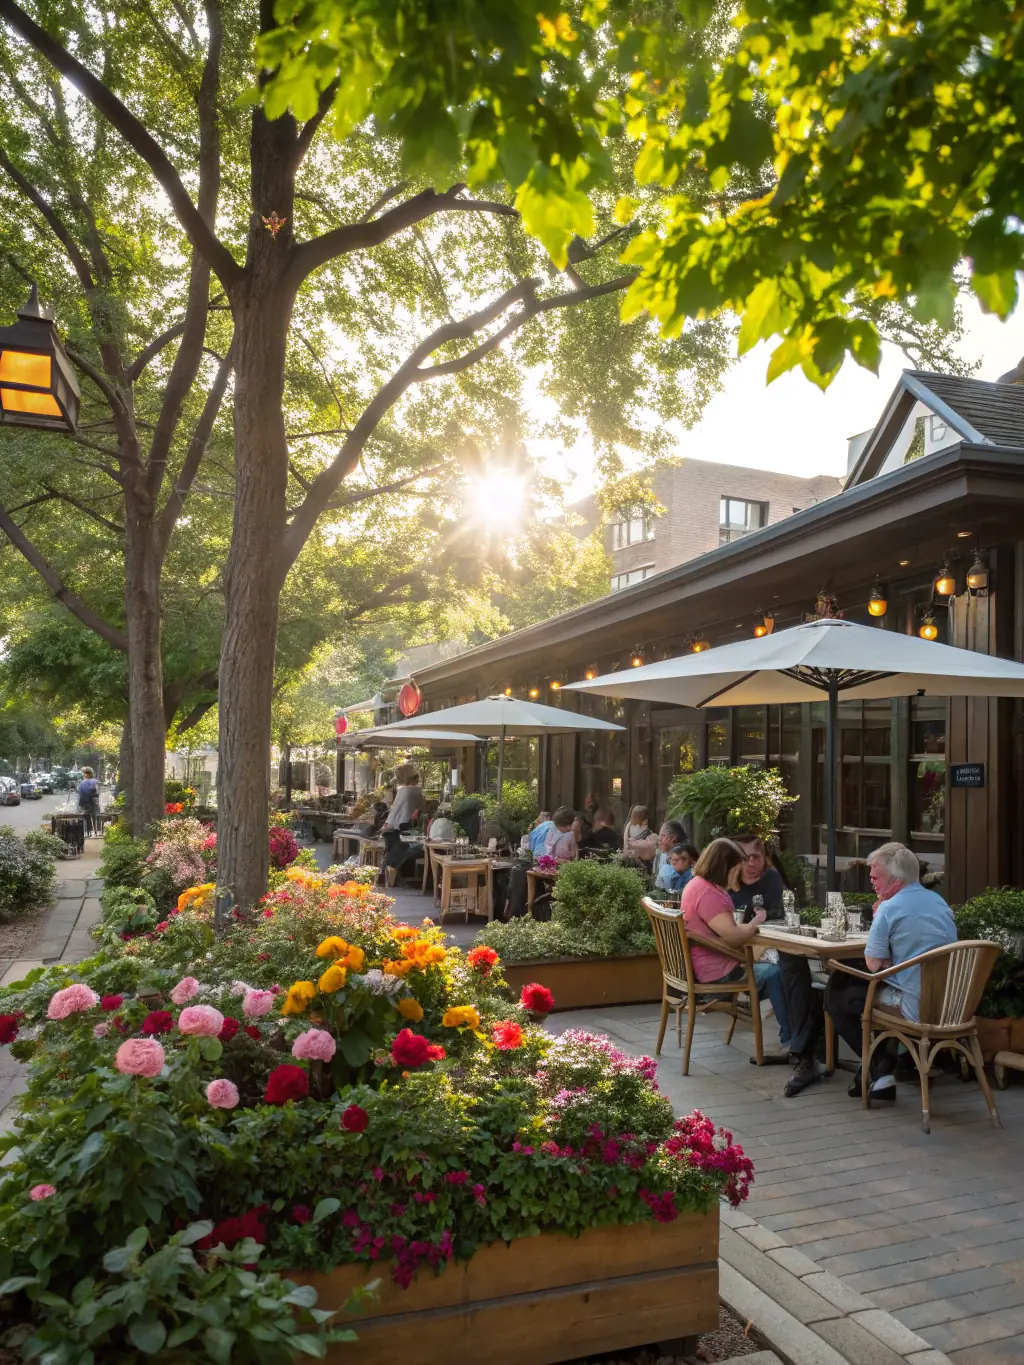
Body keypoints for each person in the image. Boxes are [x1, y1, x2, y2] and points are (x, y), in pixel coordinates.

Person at [826, 842, 957, 1105]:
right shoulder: (939, 901)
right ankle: (881, 1073)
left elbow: (874, 965)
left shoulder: (890, 907)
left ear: (896, 880)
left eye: (876, 875)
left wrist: (882, 932)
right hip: (951, 1004)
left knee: (835, 994)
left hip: (915, 1008)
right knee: (849, 984)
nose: (871, 880)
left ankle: (879, 1064)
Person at [681, 838, 791, 1052]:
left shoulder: (696, 885)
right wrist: (756, 922)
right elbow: (733, 937)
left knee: (772, 971)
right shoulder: (708, 894)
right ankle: (791, 1038)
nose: (737, 875)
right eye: (736, 870)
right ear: (725, 868)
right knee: (777, 973)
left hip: (704, 965)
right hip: (716, 973)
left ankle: (792, 1033)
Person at [378, 764, 424, 885]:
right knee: (402, 849)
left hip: (397, 825)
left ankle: (390, 875)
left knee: (393, 849)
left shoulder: (404, 790)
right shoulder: (418, 791)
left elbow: (395, 809)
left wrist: (386, 825)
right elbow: (421, 807)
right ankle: (400, 874)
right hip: (410, 824)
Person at [730, 833, 785, 922]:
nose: (751, 863)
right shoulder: (726, 878)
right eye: (745, 858)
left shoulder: (771, 878)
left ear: (764, 857)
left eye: (756, 857)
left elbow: (777, 916)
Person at [77, 767, 100, 836]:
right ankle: (95, 832)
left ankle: (88, 832)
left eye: (84, 773)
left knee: (86, 819)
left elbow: (80, 795)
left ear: (87, 774)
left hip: (86, 805)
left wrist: (80, 806)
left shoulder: (82, 783)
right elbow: (98, 793)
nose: (83, 775)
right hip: (94, 804)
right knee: (95, 819)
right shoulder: (96, 782)